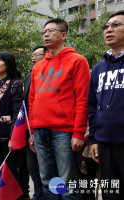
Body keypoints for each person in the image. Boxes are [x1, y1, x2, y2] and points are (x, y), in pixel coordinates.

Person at [29, 18, 90, 199]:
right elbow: (32, 100)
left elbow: (83, 98)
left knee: (68, 182)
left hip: (63, 132)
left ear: (63, 35)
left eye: (51, 30)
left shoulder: (77, 61)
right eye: (44, 31)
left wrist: (79, 133)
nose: (45, 34)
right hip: (40, 131)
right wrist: (32, 131)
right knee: (47, 180)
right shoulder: (38, 67)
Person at [88, 10, 124, 199]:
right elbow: (92, 106)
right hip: (104, 143)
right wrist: (94, 139)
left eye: (116, 25)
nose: (109, 30)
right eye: (106, 27)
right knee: (111, 193)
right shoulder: (99, 68)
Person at [0, 51, 29, 199]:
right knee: (0, 173)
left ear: (8, 64)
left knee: (13, 173)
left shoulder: (14, 84)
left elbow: (17, 113)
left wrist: (13, 138)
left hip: (8, 137)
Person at [25, 46, 47, 200]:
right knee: (33, 166)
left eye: (37, 54)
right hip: (30, 128)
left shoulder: (50, 74)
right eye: (32, 55)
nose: (33, 57)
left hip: (49, 128)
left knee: (49, 169)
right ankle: (38, 194)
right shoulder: (29, 76)